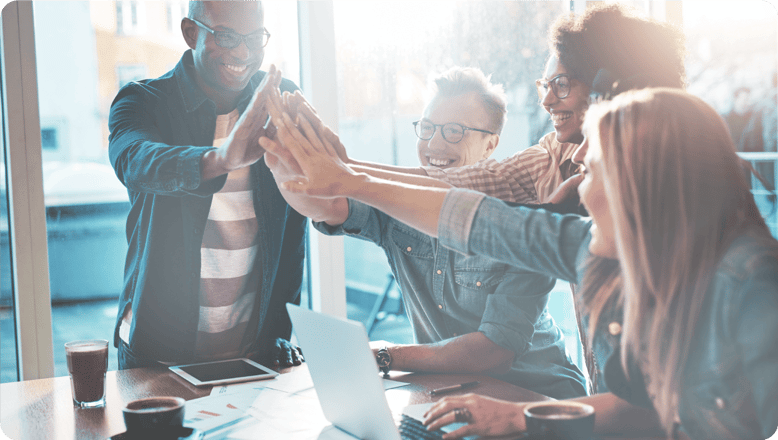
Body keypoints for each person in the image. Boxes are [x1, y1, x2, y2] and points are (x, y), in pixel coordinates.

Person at [261, 87, 778, 440]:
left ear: (645, 185)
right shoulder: (597, 249)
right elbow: (480, 221)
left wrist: (350, 177)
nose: (576, 182)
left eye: (592, 169)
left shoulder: (752, 284)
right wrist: (348, 177)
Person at [265, 68, 586, 399]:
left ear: (490, 144)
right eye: (428, 128)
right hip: (451, 394)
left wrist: (384, 354)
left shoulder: (516, 224)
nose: (434, 143)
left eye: (454, 131)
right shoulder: (398, 206)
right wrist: (282, 160)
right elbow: (327, 204)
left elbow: (494, 352)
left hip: (541, 396)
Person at [108, 1, 306, 369]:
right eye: (226, 37)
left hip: (256, 350)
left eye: (254, 38)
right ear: (190, 32)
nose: (243, 53)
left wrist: (281, 330)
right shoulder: (142, 101)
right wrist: (222, 159)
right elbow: (134, 161)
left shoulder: (278, 101)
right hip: (157, 350)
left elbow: (295, 227)